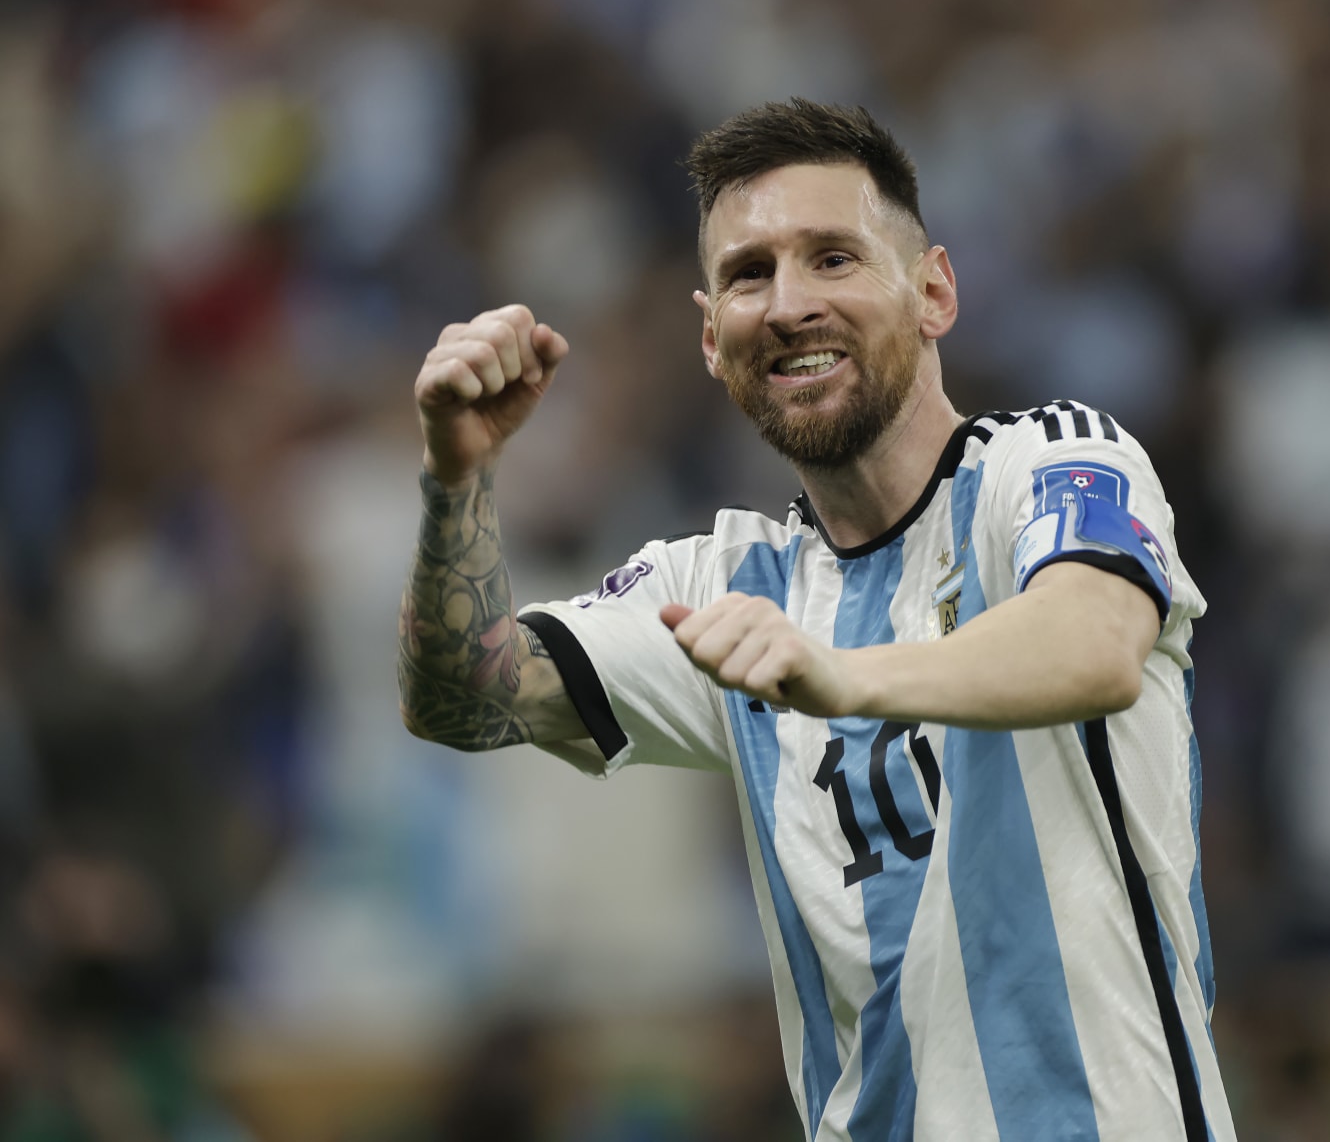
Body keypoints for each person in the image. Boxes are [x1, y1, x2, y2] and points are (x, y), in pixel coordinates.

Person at [397, 98, 1235, 1142]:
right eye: (751, 273)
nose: (789, 304)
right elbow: (463, 695)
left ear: (933, 291)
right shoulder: (724, 582)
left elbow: (1097, 640)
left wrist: (846, 676)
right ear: (712, 337)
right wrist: (457, 477)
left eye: (833, 258)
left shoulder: (1054, 458)